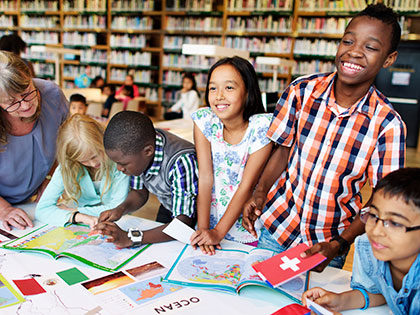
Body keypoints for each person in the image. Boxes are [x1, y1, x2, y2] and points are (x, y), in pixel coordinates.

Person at [242, 4, 406, 270]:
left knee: (307, 308)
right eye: (348, 41)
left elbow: (381, 200)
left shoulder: (388, 125)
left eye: (371, 47)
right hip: (276, 227)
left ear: (389, 59)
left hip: (327, 245)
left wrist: (340, 244)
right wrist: (259, 193)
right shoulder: (300, 91)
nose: (354, 51)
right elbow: (282, 151)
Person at [302, 168, 420, 315]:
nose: (376, 231)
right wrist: (340, 301)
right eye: (373, 215)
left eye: (395, 223)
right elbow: (378, 292)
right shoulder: (369, 247)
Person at [190, 57, 273, 255]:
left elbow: (247, 184)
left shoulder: (261, 127)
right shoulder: (205, 121)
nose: (219, 96)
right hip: (212, 218)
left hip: (248, 226)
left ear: (247, 92)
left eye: (229, 88)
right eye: (212, 88)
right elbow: (205, 178)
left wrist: (218, 232)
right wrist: (203, 229)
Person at [92, 111, 198, 248]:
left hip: (194, 219)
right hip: (169, 207)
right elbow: (139, 193)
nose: (119, 168)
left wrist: (131, 238)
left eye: (123, 164)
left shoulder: (181, 162)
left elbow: (183, 224)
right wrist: (119, 209)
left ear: (148, 151)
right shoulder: (139, 150)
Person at [0, 51, 68, 231]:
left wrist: (50, 180)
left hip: (34, 204)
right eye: (12, 102)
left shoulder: (52, 95)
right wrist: (4, 210)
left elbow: (66, 143)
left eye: (27, 92)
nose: (25, 105)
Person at [35, 114, 129, 227]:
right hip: (81, 224)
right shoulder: (68, 167)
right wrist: (76, 216)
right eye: (84, 161)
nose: (93, 163)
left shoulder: (118, 162)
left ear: (102, 140)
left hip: (120, 222)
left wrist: (73, 210)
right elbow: (41, 210)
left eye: (95, 155)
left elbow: (117, 208)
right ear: (73, 159)